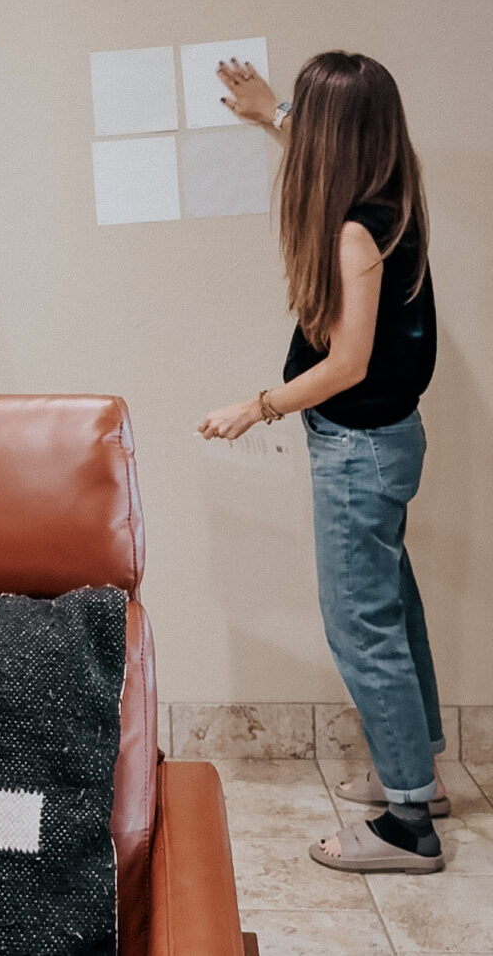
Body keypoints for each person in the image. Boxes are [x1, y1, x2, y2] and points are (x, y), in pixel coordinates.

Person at [198, 52, 445, 875]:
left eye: (309, 115)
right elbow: (320, 145)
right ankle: (420, 773)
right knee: (393, 608)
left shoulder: (353, 232)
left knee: (359, 624)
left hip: (359, 450)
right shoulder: (391, 201)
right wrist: (274, 112)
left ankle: (409, 821)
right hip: (391, 441)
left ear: (334, 141)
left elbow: (346, 363)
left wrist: (255, 405)